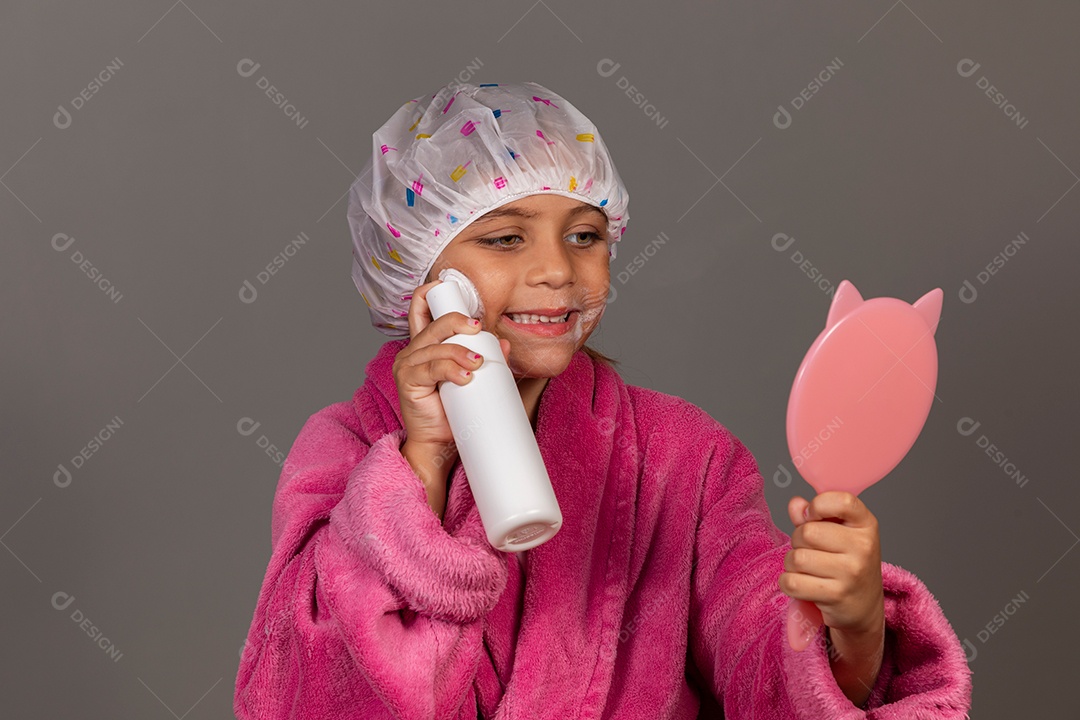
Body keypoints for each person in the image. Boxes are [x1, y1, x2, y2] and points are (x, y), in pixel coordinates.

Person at [233, 81, 972, 719]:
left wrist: (854, 628)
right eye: (504, 239)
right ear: (419, 275)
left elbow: (755, 652)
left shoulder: (684, 457)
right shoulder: (343, 448)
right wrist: (422, 462)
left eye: (584, 235)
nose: (557, 269)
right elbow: (302, 690)